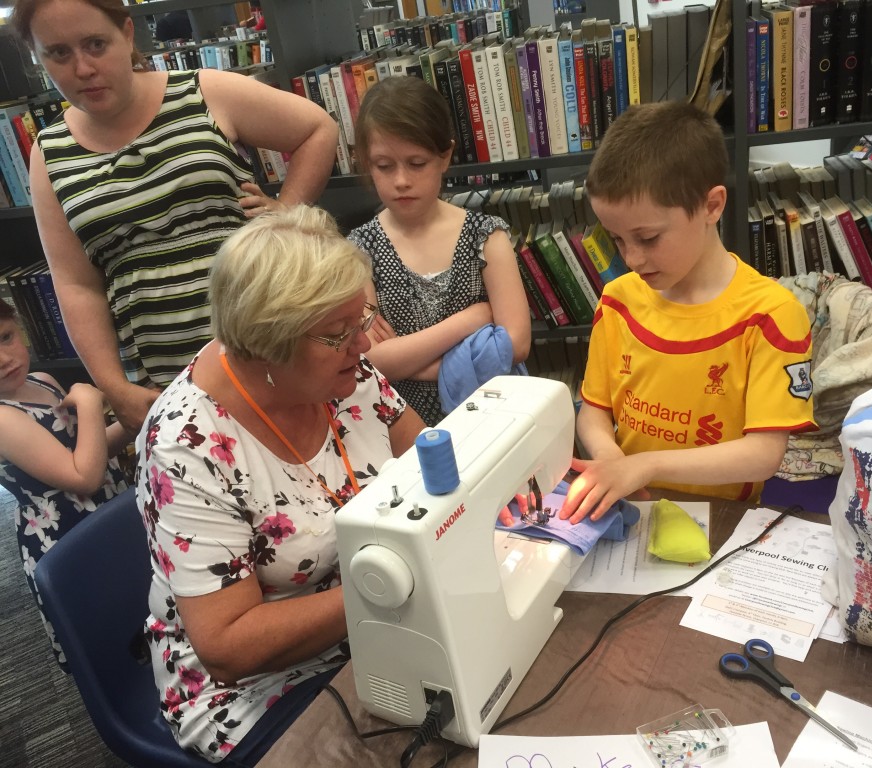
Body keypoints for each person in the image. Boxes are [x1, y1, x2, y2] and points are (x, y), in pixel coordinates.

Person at [136, 205, 425, 764]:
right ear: (265, 345)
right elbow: (228, 645)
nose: (362, 347)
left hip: (379, 620)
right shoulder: (188, 445)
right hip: (255, 688)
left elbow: (432, 464)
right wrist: (402, 584)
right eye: (336, 336)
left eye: (361, 320)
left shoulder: (347, 374)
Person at [13, 0, 339, 435]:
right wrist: (113, 386)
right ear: (39, 58)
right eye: (58, 53)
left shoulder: (204, 92)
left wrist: (288, 211)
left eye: (96, 44)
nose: (83, 68)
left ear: (127, 34)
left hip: (278, 347)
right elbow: (76, 285)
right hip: (170, 384)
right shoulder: (49, 154)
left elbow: (318, 129)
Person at [559, 101, 816, 523]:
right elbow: (594, 409)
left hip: (723, 519)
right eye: (617, 240)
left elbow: (764, 454)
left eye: (648, 237)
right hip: (634, 507)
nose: (632, 258)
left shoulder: (771, 316)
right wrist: (611, 460)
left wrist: (645, 465)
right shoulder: (618, 301)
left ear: (712, 206)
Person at [348, 76, 531, 426]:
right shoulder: (359, 251)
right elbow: (372, 361)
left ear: (444, 156)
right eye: (384, 166)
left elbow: (516, 345)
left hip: (492, 418)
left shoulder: (486, 237)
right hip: (405, 427)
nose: (401, 180)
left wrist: (405, 359)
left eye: (417, 163)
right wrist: (472, 319)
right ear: (367, 163)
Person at [0, 299, 130, 669]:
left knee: (136, 595)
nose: (4, 358)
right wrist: (89, 402)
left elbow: (90, 452)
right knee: (109, 628)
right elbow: (83, 478)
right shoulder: (3, 418)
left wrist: (136, 422)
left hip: (107, 509)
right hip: (66, 533)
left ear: (20, 326)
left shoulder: (41, 381)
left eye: (6, 337)